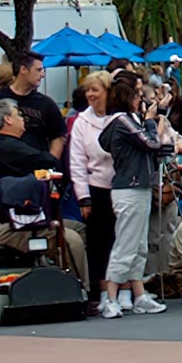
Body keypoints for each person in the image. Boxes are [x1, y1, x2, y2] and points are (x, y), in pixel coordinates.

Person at [0, 98, 89, 289]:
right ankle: (80, 289)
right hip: (10, 225)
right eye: (18, 114)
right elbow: (47, 161)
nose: (23, 119)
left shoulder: (8, 145)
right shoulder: (7, 147)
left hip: (26, 219)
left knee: (79, 228)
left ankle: (63, 280)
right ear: (8, 119)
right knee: (71, 239)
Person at [96, 79, 172, 318]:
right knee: (126, 245)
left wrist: (152, 120)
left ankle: (138, 295)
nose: (141, 99)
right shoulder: (122, 121)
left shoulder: (124, 122)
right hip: (129, 189)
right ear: (127, 98)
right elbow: (151, 143)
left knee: (139, 246)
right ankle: (110, 297)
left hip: (137, 187)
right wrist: (150, 120)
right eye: (137, 95)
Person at [0, 51, 67, 178]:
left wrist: (49, 169)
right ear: (23, 69)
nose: (42, 75)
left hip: (36, 174)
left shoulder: (46, 104)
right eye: (38, 70)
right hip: (2, 174)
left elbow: (58, 137)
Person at [69, 70, 115, 308]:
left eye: (95, 90)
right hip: (95, 188)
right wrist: (84, 198)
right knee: (99, 243)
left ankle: (124, 290)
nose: (90, 94)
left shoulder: (120, 117)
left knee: (122, 240)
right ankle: (101, 291)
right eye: (87, 90)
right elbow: (76, 162)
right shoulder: (81, 123)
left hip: (121, 186)